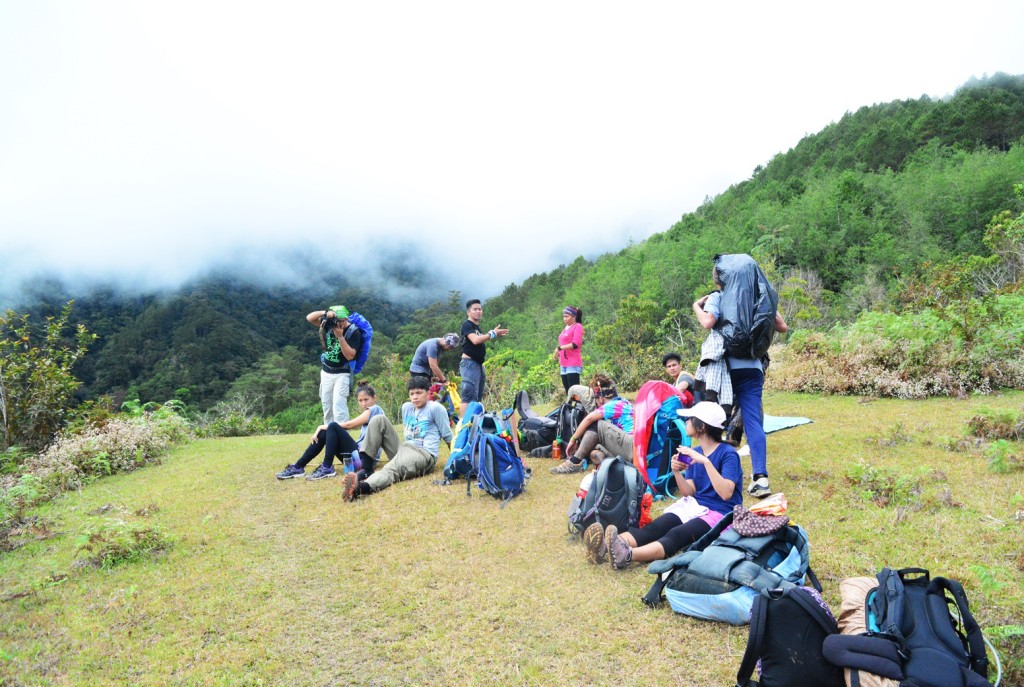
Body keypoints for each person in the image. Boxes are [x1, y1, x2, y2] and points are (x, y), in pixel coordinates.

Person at [584, 401, 742, 569]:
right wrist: (676, 472)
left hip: (720, 514)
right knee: (656, 527)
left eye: (689, 418)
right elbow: (689, 492)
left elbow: (726, 493)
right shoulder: (696, 452)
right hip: (695, 506)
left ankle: (627, 555)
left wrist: (705, 462)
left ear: (701, 426)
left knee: (676, 535)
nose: (686, 421)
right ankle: (604, 548)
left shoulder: (728, 454)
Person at [693, 262, 787, 498]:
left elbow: (707, 322)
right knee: (754, 422)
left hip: (725, 369)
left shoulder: (718, 296)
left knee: (715, 417)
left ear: (719, 280)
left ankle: (712, 472)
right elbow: (782, 327)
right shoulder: (757, 298)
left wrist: (696, 307)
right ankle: (760, 478)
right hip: (753, 368)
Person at [342, 376, 454, 501]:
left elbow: (448, 436)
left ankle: (361, 488)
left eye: (419, 393)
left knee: (391, 469)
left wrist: (455, 462)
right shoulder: (407, 408)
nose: (415, 397)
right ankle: (367, 470)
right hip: (405, 449)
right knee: (378, 419)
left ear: (428, 393)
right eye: (412, 394)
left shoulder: (435, 408)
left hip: (423, 454)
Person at [275, 382, 391, 480]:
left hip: (364, 461)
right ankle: (298, 467)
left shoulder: (375, 409)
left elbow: (349, 425)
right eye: (360, 400)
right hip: (356, 458)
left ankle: (326, 467)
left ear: (374, 398)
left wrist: (321, 426)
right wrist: (323, 428)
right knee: (325, 432)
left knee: (332, 426)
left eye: (366, 399)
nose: (363, 403)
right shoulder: (368, 412)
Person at [551, 374, 633, 474]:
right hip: (631, 447)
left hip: (631, 448)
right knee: (595, 451)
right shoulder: (624, 402)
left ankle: (573, 463)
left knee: (596, 425)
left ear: (601, 398)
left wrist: (573, 439)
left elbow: (589, 419)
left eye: (596, 400)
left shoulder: (613, 405)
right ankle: (606, 466)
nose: (597, 404)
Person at [307, 305, 364, 425]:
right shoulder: (329, 325)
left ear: (346, 319)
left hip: (342, 373)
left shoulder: (354, 332)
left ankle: (343, 434)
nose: (339, 324)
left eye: (342, 321)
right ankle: (329, 435)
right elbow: (309, 318)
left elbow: (350, 356)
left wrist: (340, 337)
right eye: (337, 321)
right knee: (326, 405)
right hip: (326, 371)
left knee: (339, 404)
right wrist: (326, 313)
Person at [458, 299, 508, 415]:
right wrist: (492, 334)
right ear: (468, 312)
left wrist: (492, 335)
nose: (478, 311)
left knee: (477, 396)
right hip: (469, 364)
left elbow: (480, 340)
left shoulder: (477, 328)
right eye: (475, 309)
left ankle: (476, 422)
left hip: (478, 364)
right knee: (468, 395)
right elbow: (475, 340)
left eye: (480, 309)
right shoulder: (467, 325)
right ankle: (464, 425)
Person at [555, 306, 584, 392]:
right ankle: (570, 405)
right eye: (564, 316)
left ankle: (579, 405)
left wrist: (559, 348)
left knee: (574, 391)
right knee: (568, 391)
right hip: (563, 363)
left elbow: (575, 344)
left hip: (573, 363)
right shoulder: (565, 329)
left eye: (567, 316)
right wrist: (559, 353)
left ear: (574, 316)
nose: (565, 319)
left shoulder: (577, 326)